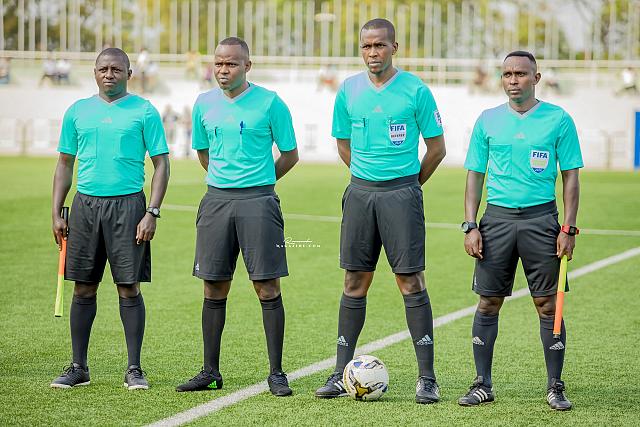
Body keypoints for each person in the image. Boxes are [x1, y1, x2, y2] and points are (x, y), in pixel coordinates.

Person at [314, 19, 446, 404]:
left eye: (380, 45)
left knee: (410, 281)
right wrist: (365, 177)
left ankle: (427, 379)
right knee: (354, 281)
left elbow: (437, 148)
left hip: (402, 195)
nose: (373, 53)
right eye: (367, 46)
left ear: (394, 47)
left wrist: (409, 185)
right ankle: (340, 373)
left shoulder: (416, 90)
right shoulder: (348, 90)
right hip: (360, 195)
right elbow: (342, 143)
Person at [458, 51, 582, 410]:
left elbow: (571, 177)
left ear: (536, 78)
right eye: (507, 74)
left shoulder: (558, 119)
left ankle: (555, 385)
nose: (513, 80)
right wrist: (470, 224)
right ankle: (482, 384)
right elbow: (475, 175)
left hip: (541, 221)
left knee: (547, 304)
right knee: (488, 302)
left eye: (521, 74)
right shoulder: (488, 120)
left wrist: (568, 228)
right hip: (495, 221)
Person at [176, 37, 299, 396]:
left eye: (231, 64)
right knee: (213, 285)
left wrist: (259, 182)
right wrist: (225, 181)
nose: (223, 70)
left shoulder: (271, 103)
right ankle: (210, 371)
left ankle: (276, 373)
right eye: (218, 63)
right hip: (216, 202)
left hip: (259, 202)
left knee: (267, 286)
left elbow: (290, 154)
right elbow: (203, 152)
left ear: (247, 65)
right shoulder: (203, 104)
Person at [50, 48, 170, 390]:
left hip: (129, 207)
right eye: (103, 69)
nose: (109, 74)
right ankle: (79, 367)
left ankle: (134, 369)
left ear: (129, 74)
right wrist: (56, 211)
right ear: (94, 72)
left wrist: (152, 212)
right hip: (85, 207)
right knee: (83, 286)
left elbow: (162, 164)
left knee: (128, 287)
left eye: (116, 69)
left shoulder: (144, 111)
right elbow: (64, 164)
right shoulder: (77, 111)